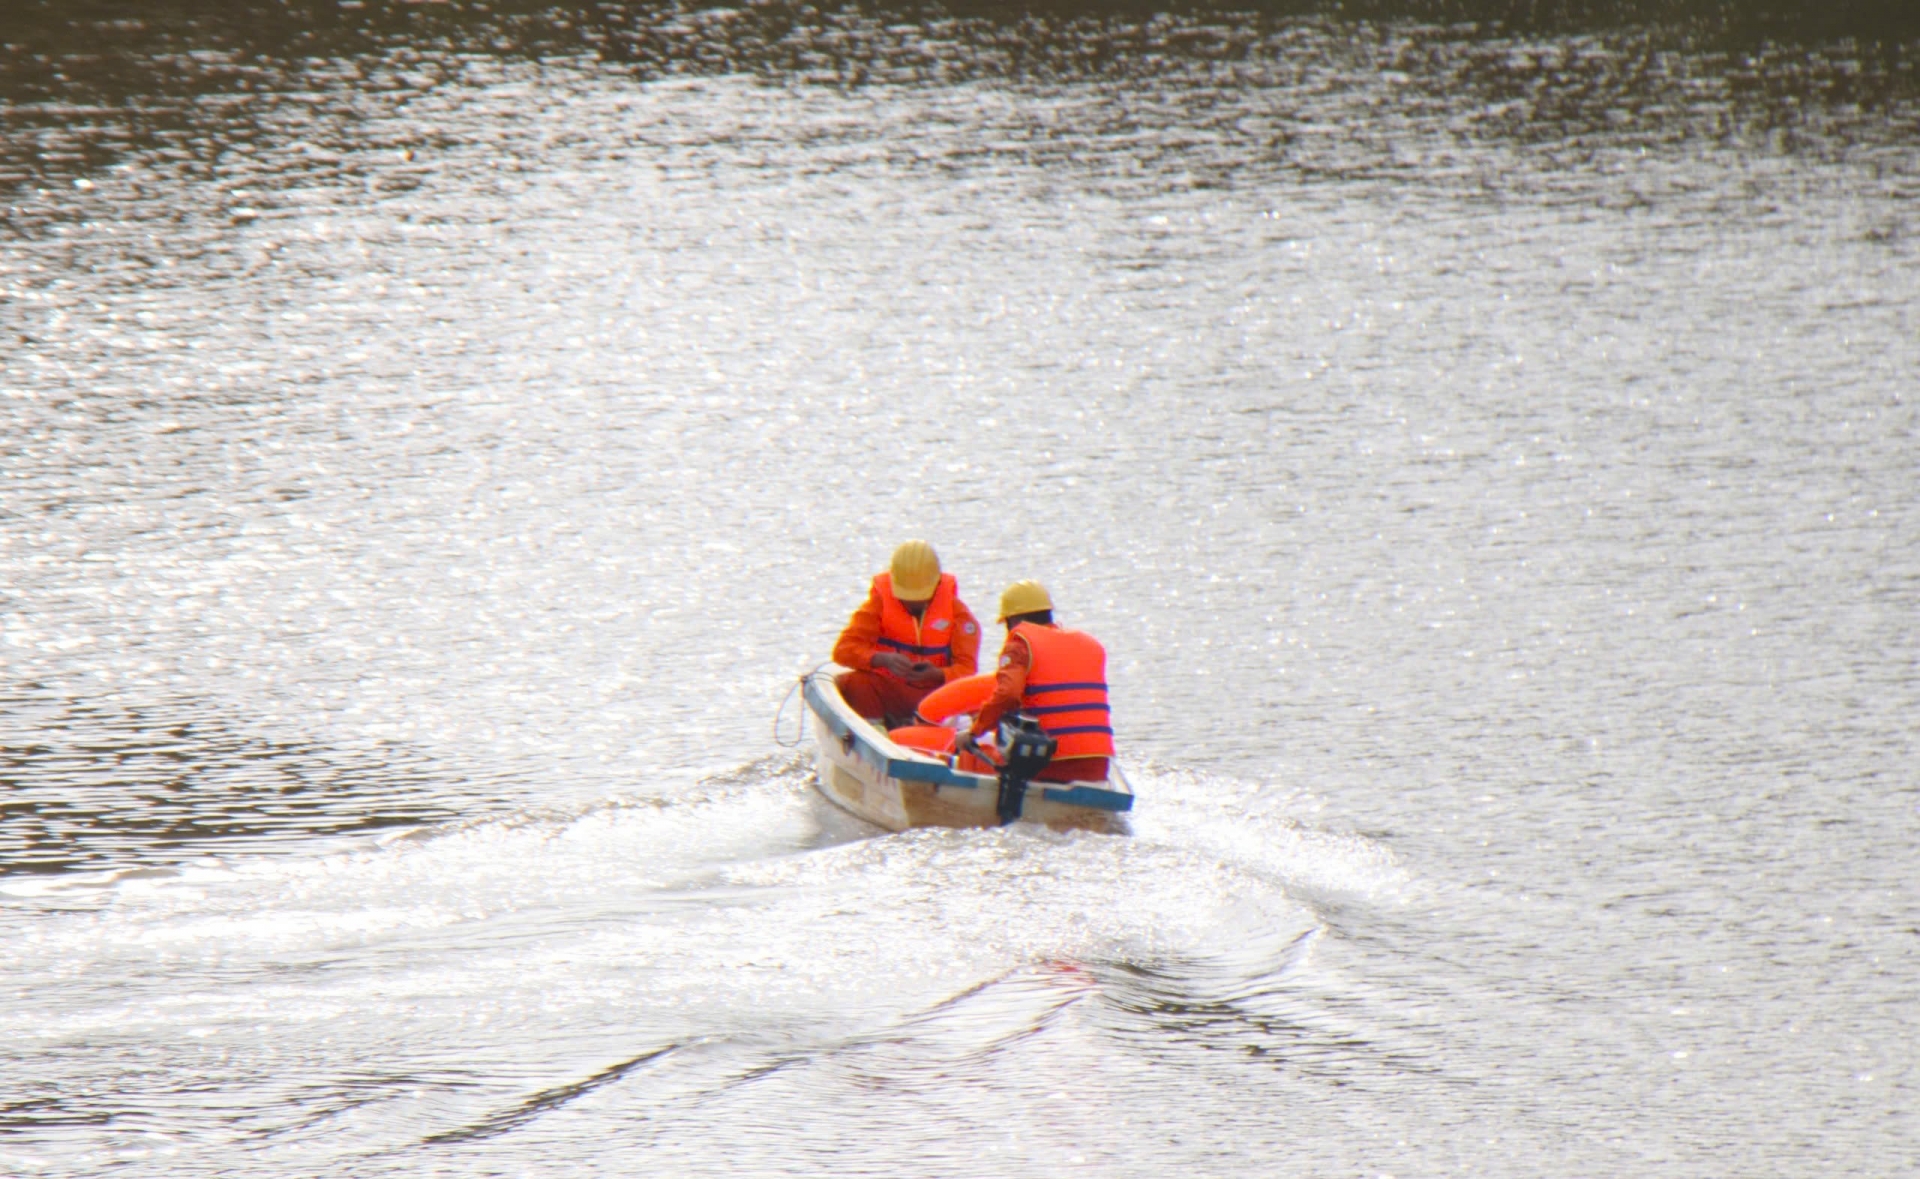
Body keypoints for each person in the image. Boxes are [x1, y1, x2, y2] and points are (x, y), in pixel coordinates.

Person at [959, 580, 1113, 783]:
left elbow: (1008, 694)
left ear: (1014, 620)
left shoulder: (1020, 643)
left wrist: (974, 731)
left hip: (1046, 766)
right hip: (1098, 766)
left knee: (970, 754)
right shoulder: (1091, 645)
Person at [832, 540, 981, 729]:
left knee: (977, 699)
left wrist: (938, 674)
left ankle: (946, 741)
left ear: (936, 585)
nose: (913, 604)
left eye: (921, 596)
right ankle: (875, 735)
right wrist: (881, 659)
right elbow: (843, 650)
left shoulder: (959, 615)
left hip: (937, 697)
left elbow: (967, 670)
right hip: (891, 691)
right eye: (906, 597)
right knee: (857, 683)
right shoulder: (878, 605)